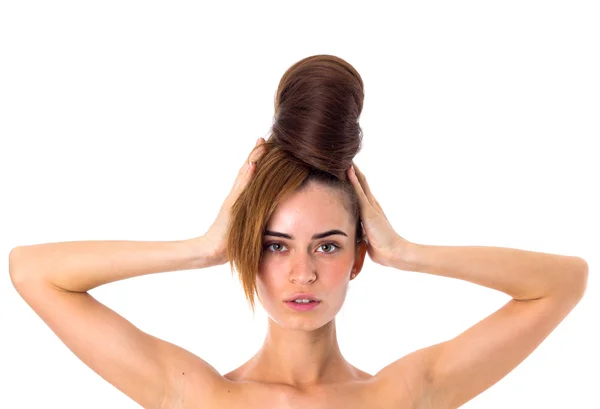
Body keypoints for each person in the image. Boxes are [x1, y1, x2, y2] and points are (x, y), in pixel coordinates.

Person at [9, 55, 588, 409]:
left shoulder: (403, 396)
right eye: (274, 245)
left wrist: (406, 252)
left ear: (359, 257)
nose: (302, 272)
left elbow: (564, 282)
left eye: (329, 246)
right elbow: (32, 271)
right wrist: (206, 246)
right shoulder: (197, 395)